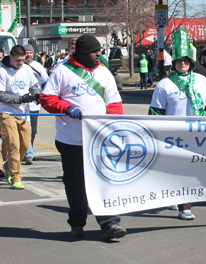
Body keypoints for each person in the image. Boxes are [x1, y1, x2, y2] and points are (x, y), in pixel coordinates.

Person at [40, 34, 126, 240]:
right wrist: (67, 107)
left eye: (99, 51)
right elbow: (47, 98)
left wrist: (115, 130)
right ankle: (77, 223)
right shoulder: (62, 70)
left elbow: (114, 105)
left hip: (99, 139)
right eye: (94, 51)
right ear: (81, 53)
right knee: (75, 183)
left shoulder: (104, 73)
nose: (99, 54)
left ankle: (109, 223)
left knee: (103, 181)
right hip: (71, 139)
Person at [149, 29, 206, 220]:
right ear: (173, 62)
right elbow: (156, 112)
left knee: (191, 170)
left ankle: (183, 201)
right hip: (173, 135)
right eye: (179, 60)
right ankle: (181, 203)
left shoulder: (201, 81)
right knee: (175, 170)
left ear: (190, 62)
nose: (182, 63)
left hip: (198, 134)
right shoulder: (164, 84)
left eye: (186, 60)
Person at [0, 45, 40, 189]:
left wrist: (36, 95)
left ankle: (9, 164)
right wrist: (20, 99)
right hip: (7, 112)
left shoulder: (27, 69)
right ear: (11, 57)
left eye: (23, 60)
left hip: (24, 113)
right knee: (13, 145)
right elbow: (1, 95)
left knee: (24, 145)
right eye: (18, 60)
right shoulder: (2, 71)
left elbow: (34, 85)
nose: (21, 63)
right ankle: (16, 177)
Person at [23, 44, 49, 165]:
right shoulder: (18, 66)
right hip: (21, 105)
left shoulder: (38, 66)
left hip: (34, 104)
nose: (28, 55)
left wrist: (44, 97)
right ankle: (29, 153)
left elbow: (45, 83)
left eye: (30, 52)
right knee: (26, 129)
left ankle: (28, 149)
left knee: (33, 131)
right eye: (26, 52)